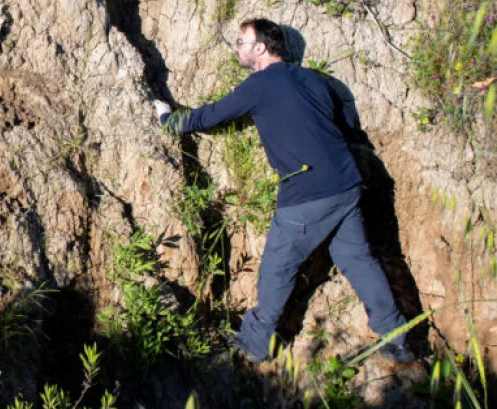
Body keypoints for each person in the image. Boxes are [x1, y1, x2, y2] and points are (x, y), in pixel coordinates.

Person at [153, 18, 412, 364]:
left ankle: (255, 343)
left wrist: (169, 120)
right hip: (347, 183)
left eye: (241, 42)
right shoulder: (316, 80)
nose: (236, 48)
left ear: (260, 48)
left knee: (277, 266)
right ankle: (397, 337)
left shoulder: (259, 85)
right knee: (358, 261)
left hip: (308, 192)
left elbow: (211, 116)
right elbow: (346, 118)